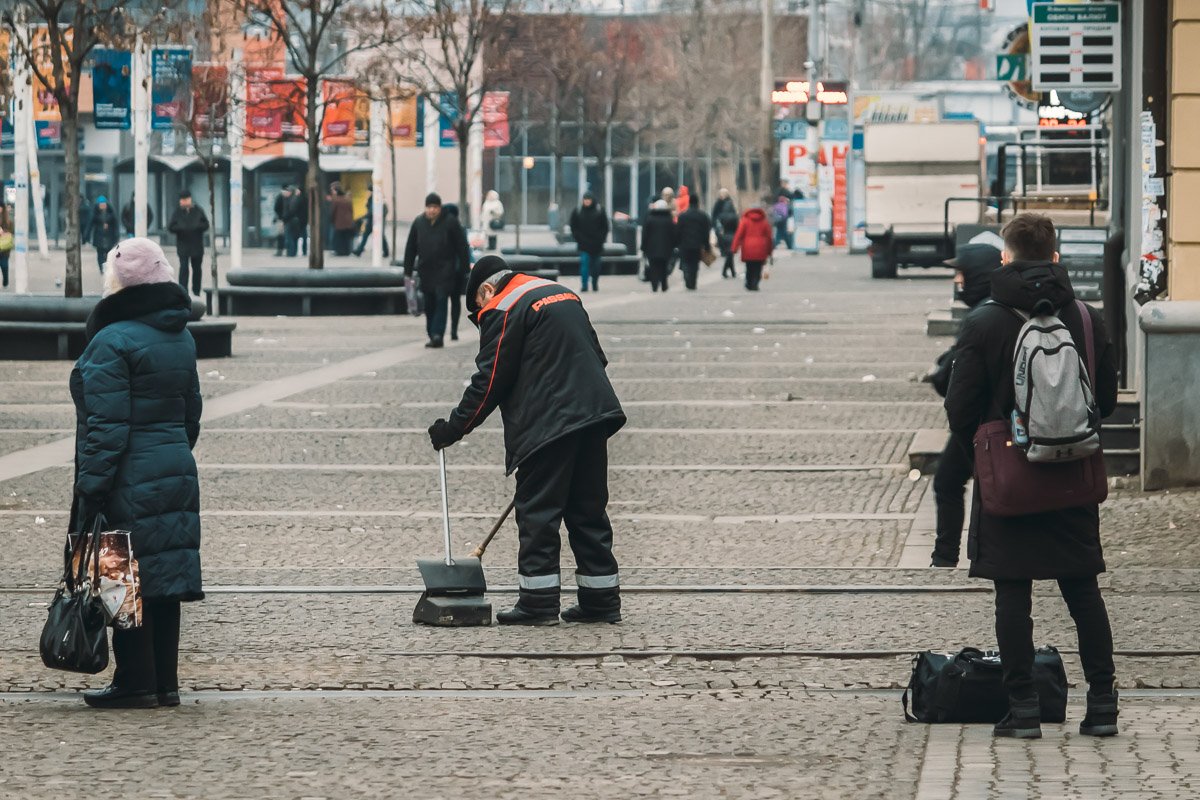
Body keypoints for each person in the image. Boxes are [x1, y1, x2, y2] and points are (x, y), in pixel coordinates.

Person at [945, 213, 1120, 740]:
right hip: (1072, 475)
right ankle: (1103, 705)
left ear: (1007, 255)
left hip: (1009, 480)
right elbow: (1105, 402)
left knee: (1013, 593)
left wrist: (991, 441)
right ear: (1056, 255)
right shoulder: (1088, 319)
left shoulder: (984, 322)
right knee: (1083, 591)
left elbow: (960, 409)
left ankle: (1022, 709)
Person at [427, 255, 624, 625]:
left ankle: (537, 604)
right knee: (587, 510)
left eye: (477, 310)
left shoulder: (504, 306)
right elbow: (597, 356)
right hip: (594, 414)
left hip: (548, 424)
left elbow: (490, 381)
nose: (481, 317)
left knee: (538, 513)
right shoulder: (562, 293)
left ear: (486, 290)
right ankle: (602, 602)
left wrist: (453, 428)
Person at [70, 237, 202, 709]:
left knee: (120, 574)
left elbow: (106, 427)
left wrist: (92, 485)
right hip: (174, 467)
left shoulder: (113, 339)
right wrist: (169, 452)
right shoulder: (180, 335)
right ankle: (165, 684)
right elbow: (192, 414)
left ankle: (133, 681)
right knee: (163, 580)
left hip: (127, 472)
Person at [927, 244, 999, 568]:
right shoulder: (990, 308)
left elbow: (956, 376)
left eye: (963, 274)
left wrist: (943, 370)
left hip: (980, 420)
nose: (958, 281)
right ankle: (950, 556)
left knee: (950, 481)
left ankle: (946, 558)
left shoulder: (982, 315)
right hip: (985, 417)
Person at [403, 193, 470, 348]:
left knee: (441, 301)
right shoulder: (419, 222)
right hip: (425, 271)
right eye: (429, 207)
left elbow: (462, 246)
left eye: (435, 207)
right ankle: (431, 332)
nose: (432, 210)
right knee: (429, 303)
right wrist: (407, 269)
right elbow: (410, 247)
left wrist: (465, 268)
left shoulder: (450, 222)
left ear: (440, 208)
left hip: (445, 271)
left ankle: (438, 334)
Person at [166, 191, 210, 297]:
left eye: (186, 199)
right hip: (183, 245)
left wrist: (196, 227)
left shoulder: (198, 210)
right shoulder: (177, 212)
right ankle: (183, 291)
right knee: (184, 268)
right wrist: (181, 228)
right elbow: (171, 227)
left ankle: (196, 291)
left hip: (196, 245)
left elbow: (206, 224)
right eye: (182, 200)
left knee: (197, 269)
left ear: (190, 199)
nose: (184, 202)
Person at [569, 192, 609, 293]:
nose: (587, 201)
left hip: (597, 244)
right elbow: (573, 227)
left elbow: (605, 227)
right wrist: (578, 238)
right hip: (583, 244)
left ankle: (595, 283)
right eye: (585, 199)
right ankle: (584, 285)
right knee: (584, 266)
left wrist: (601, 239)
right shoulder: (578, 211)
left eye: (588, 199)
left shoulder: (599, 211)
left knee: (596, 267)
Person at [442, 203, 471, 341]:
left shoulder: (440, 230)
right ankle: (453, 329)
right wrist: (465, 270)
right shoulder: (461, 229)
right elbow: (465, 251)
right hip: (458, 271)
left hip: (444, 272)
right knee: (455, 300)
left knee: (441, 300)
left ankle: (441, 331)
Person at [731, 205, 774, 291]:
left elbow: (739, 235)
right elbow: (769, 237)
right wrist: (769, 251)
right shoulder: (764, 222)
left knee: (749, 266)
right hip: (761, 248)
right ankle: (755, 283)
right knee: (758, 267)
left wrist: (734, 247)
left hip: (748, 247)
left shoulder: (745, 221)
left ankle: (749, 283)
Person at [675, 195, 712, 291]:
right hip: (697, 244)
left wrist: (677, 243)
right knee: (694, 264)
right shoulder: (703, 216)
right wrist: (707, 245)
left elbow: (678, 231)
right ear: (698, 203)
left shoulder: (682, 216)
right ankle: (693, 282)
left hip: (685, 244)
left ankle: (687, 277)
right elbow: (706, 232)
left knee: (686, 262)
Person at [640, 199, 677, 292]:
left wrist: (643, 247)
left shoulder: (650, 219)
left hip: (652, 248)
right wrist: (674, 245)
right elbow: (673, 234)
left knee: (653, 267)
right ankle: (664, 284)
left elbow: (645, 234)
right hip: (666, 248)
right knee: (664, 267)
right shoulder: (669, 219)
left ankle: (654, 284)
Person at [86, 197, 120, 273]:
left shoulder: (111, 213)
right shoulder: (95, 214)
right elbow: (90, 225)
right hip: (99, 237)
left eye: (104, 204)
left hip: (109, 237)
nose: (102, 206)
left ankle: (108, 267)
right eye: (101, 204)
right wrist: (87, 236)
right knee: (100, 254)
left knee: (109, 254)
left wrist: (116, 235)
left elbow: (116, 225)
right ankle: (101, 268)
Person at [711, 188, 739, 279]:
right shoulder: (732, 214)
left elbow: (715, 217)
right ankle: (728, 271)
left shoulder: (723, 214)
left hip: (723, 233)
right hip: (730, 234)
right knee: (729, 253)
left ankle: (731, 272)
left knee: (729, 253)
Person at [353, 189, 389, 259]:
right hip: (373, 221)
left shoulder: (376, 198)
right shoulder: (373, 198)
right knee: (366, 235)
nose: (367, 192)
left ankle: (386, 251)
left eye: (368, 191)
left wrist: (363, 217)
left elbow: (372, 211)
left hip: (376, 221)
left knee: (379, 236)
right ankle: (359, 250)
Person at [330, 187, 355, 257]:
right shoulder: (348, 200)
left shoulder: (336, 201)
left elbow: (333, 211)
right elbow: (351, 211)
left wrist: (332, 220)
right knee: (346, 238)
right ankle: (347, 251)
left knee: (339, 237)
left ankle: (339, 251)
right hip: (348, 222)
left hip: (339, 222)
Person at [285, 187, 308, 258]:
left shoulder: (296, 199)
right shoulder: (306, 199)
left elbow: (293, 210)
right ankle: (304, 251)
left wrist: (286, 218)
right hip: (304, 220)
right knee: (304, 236)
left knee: (293, 236)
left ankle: (292, 252)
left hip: (297, 221)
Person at [273, 186, 290, 256]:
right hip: (282, 219)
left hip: (281, 219)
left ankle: (280, 250)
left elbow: (276, 208)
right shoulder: (282, 197)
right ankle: (281, 250)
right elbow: (276, 208)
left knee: (281, 235)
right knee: (281, 235)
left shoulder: (281, 197)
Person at [0, 205, 12, 289]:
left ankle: (5, 281)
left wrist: (4, 232)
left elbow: (11, 230)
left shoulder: (7, 219)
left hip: (4, 247)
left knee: (4, 265)